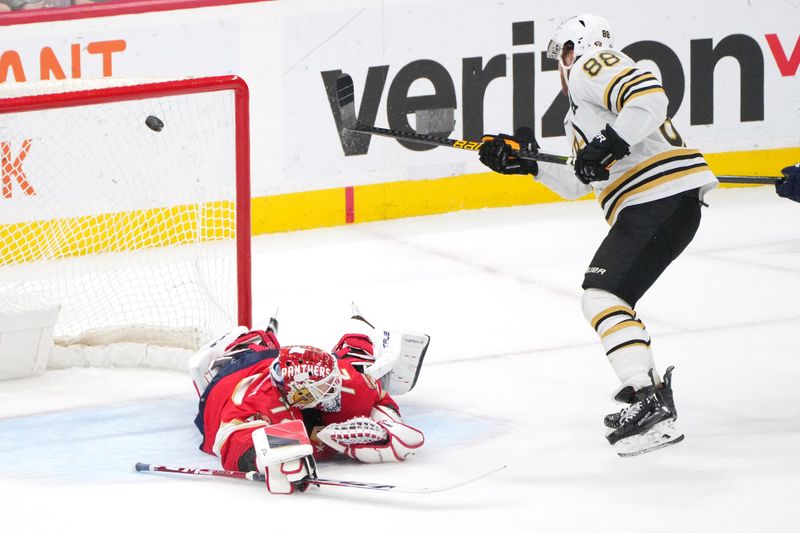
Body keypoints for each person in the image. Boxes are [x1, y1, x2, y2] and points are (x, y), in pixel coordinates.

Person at [478, 13, 719, 457]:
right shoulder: (581, 113)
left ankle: (647, 399)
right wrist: (527, 163)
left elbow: (649, 97)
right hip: (660, 202)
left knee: (602, 295)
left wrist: (610, 142)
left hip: (658, 197)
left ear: (574, 48)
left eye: (560, 55)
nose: (561, 66)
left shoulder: (595, 64)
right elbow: (578, 181)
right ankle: (646, 394)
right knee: (606, 297)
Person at [189, 313, 429, 494]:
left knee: (356, 358)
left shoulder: (342, 378)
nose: (335, 390)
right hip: (240, 374)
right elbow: (229, 438)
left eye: (332, 382)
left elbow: (379, 397)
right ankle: (244, 343)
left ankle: (358, 334)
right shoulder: (256, 401)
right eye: (325, 389)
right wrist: (263, 458)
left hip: (294, 369)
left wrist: (388, 423)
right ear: (299, 395)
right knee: (248, 348)